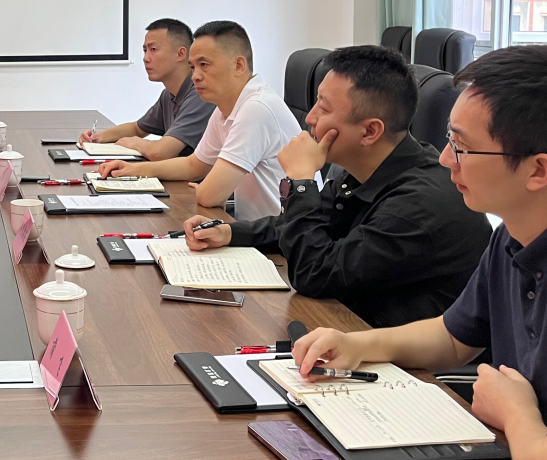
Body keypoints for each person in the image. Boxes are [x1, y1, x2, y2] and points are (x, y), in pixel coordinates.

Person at [294, 46, 547, 460]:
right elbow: (454, 337)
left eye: (462, 146)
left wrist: (516, 411)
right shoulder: (519, 231)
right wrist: (358, 345)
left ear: (539, 170)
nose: (444, 159)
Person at [186, 45, 490, 327]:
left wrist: (302, 181)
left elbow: (314, 274)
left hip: (404, 359)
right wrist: (231, 232)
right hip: (353, 330)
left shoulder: (419, 204)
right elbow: (313, 223)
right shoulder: (366, 168)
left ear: (369, 131)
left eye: (324, 108)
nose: (310, 118)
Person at [99, 20, 299, 219]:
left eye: (204, 65)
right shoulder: (223, 109)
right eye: (193, 67)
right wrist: (134, 170)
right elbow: (194, 165)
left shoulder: (257, 109)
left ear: (238, 65)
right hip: (252, 229)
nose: (195, 76)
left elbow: (209, 195)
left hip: (282, 236)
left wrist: (206, 190)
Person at [79, 18, 212, 159]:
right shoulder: (168, 95)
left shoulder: (200, 94)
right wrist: (98, 137)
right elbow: (137, 128)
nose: (145, 58)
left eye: (153, 49)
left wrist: (137, 143)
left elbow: (159, 152)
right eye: (145, 50)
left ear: (180, 54)